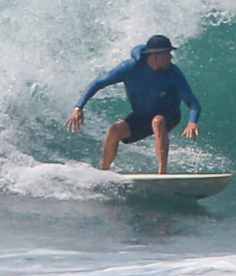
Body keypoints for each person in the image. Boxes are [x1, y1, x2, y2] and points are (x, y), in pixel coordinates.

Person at [65, 34, 201, 173]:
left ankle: (162, 173)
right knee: (114, 130)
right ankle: (103, 172)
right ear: (155, 55)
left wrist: (192, 122)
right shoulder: (129, 68)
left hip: (169, 113)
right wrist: (79, 107)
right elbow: (98, 83)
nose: (171, 58)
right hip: (142, 115)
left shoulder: (173, 73)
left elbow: (193, 103)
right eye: (167, 53)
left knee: (158, 121)